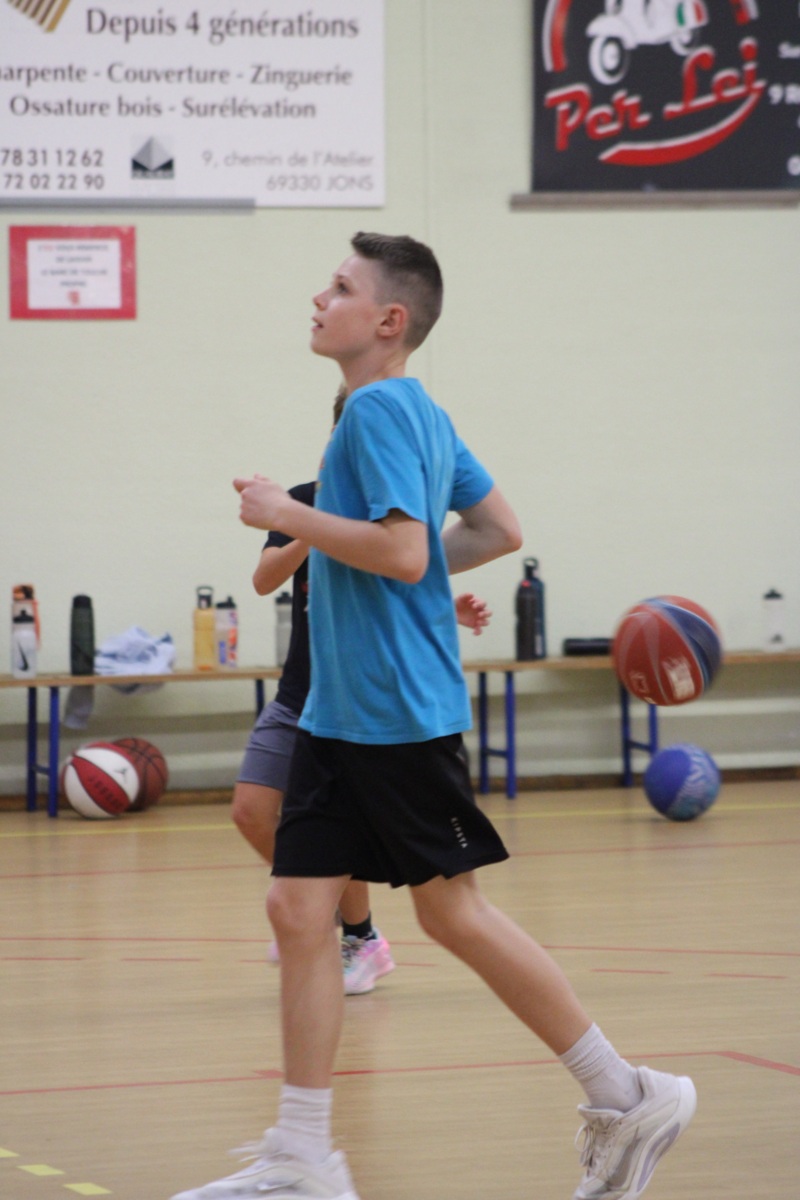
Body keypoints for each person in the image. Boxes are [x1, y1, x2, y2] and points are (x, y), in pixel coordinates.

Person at [171, 233, 696, 1200]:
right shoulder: (421, 412)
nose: (318, 297)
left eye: (339, 286)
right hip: (340, 711)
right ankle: (302, 1156)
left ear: (389, 319)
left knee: (452, 913)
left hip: (393, 711)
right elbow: (498, 530)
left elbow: (405, 552)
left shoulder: (375, 411)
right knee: (297, 908)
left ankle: (626, 1093)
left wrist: (284, 509)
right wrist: (386, 571)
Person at [232, 387, 492, 994]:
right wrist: (310, 523)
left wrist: (445, 605)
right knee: (250, 810)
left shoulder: (388, 514)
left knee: (378, 857)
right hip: (299, 695)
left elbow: (403, 578)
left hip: (355, 705)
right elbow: (266, 579)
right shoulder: (303, 503)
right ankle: (317, 914)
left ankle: (357, 935)